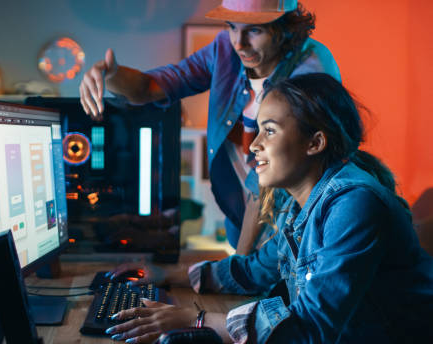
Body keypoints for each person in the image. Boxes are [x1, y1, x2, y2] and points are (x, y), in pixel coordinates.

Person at [102, 73, 433, 343]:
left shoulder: (353, 204)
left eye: (269, 131)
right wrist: (166, 275)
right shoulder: (299, 204)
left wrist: (197, 318)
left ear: (315, 143)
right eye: (257, 129)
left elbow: (311, 328)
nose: (254, 145)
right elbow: (255, 270)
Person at [79, 0, 341, 255]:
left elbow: (265, 184)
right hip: (243, 227)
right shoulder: (224, 51)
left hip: (295, 236)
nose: (239, 43)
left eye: (254, 30)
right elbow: (152, 87)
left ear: (285, 27)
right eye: (232, 27)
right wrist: (108, 76)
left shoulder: (311, 69)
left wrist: (240, 265)